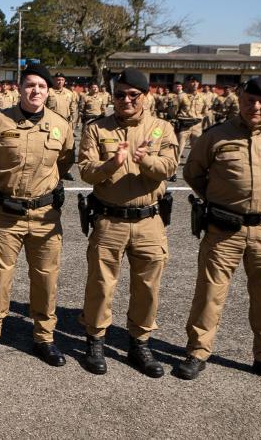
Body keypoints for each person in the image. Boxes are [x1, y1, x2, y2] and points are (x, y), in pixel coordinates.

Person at [178, 78, 261, 389]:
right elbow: (193, 173)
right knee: (209, 294)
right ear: (240, 101)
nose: (255, 107)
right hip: (224, 230)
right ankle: (197, 352)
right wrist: (221, 200)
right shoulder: (216, 136)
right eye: (249, 100)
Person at [76, 68, 178, 377]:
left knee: (147, 286)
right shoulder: (97, 129)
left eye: (134, 95)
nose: (126, 100)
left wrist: (145, 160)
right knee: (100, 284)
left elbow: (169, 168)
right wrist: (112, 164)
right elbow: (86, 171)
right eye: (120, 95)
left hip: (149, 221)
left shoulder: (161, 128)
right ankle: (95, 340)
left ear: (146, 96)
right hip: (109, 220)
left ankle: (140, 343)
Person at [0, 62, 74, 368]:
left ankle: (44, 337)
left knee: (46, 279)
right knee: (0, 278)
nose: (35, 91)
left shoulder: (61, 125)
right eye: (30, 85)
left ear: (49, 91)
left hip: (45, 215)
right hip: (7, 213)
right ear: (19, 88)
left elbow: (65, 162)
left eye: (41, 86)